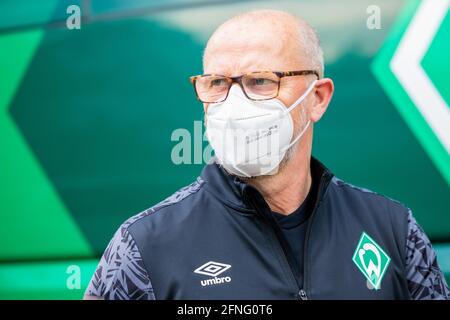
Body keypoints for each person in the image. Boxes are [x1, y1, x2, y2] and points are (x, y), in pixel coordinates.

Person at [84, 9, 449, 300]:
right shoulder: (145, 247)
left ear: (317, 98)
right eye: (217, 83)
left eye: (261, 81)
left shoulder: (393, 231)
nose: (235, 103)